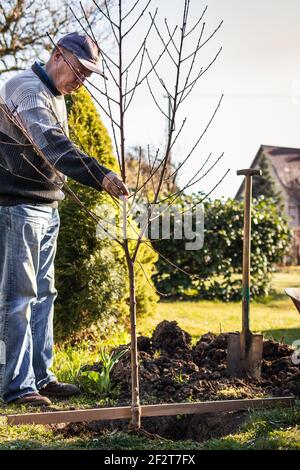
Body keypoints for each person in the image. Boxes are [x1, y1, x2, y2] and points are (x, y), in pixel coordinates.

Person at [0, 32, 129, 406]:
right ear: (58, 55)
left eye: (89, 75)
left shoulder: (55, 97)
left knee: (44, 296)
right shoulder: (25, 88)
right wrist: (100, 174)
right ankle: (15, 386)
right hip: (17, 207)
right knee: (17, 298)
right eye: (79, 70)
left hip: (45, 207)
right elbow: (54, 146)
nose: (81, 81)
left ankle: (41, 376)